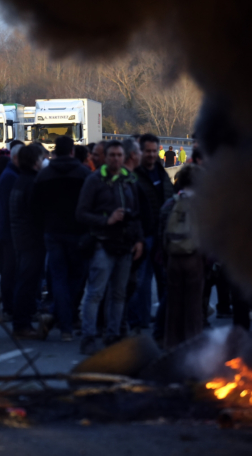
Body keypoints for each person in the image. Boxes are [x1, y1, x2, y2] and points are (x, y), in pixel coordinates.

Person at [76, 140, 143, 355]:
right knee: (95, 293)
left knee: (119, 294)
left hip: (125, 244)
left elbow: (137, 213)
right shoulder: (95, 180)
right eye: (112, 155)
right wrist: (107, 220)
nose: (116, 159)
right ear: (105, 157)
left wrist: (139, 239)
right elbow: (81, 213)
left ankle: (113, 335)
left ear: (125, 157)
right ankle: (89, 337)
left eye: (119, 155)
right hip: (102, 243)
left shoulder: (129, 180)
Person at [31, 135, 89, 341]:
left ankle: (62, 323)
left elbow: (35, 206)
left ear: (55, 151)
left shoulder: (45, 174)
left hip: (53, 232)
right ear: (72, 151)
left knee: (58, 279)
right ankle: (64, 319)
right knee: (76, 279)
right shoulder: (84, 173)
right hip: (78, 232)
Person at [128, 134, 176, 334]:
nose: (151, 155)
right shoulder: (134, 175)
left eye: (154, 151)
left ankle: (165, 319)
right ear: (140, 152)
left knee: (164, 278)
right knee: (141, 280)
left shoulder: (161, 173)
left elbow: (170, 198)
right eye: (147, 151)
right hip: (144, 234)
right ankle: (140, 321)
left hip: (162, 233)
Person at [161, 164, 206, 347]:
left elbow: (161, 232)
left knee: (174, 306)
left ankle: (172, 347)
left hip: (173, 259)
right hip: (195, 259)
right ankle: (193, 348)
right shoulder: (203, 205)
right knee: (194, 307)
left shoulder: (170, 203)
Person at [9, 143, 51, 339]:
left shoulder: (20, 181)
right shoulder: (32, 183)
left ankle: (22, 322)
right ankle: (22, 324)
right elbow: (38, 213)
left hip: (21, 237)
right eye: (41, 158)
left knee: (24, 281)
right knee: (27, 283)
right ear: (36, 161)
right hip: (32, 239)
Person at [0, 142, 23, 320]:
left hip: (7, 229)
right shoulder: (12, 177)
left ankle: (9, 306)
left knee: (10, 270)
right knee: (10, 270)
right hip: (11, 231)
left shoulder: (9, 175)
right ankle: (9, 307)